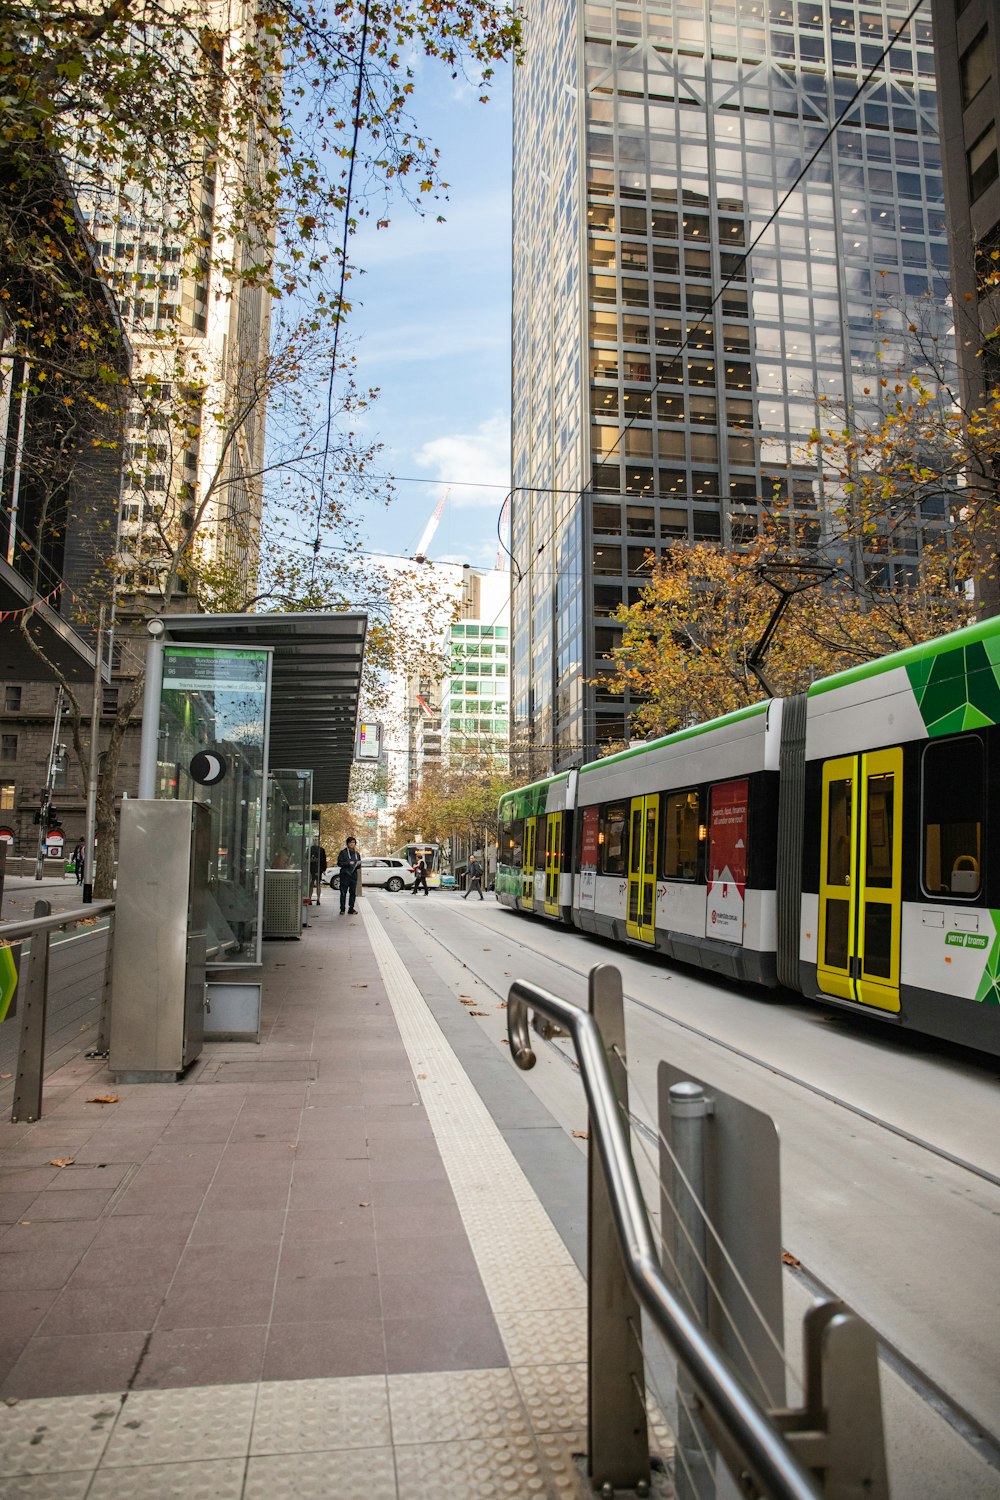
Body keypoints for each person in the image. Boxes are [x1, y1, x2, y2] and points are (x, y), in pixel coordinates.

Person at [336, 836, 361, 914]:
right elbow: (339, 863)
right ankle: (342, 909)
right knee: (343, 892)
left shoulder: (357, 854)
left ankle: (351, 909)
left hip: (353, 875)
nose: (352, 844)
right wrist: (348, 863)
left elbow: (358, 866)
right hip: (344, 875)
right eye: (350, 842)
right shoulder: (343, 853)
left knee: (353, 892)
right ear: (347, 844)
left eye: (353, 842)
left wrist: (358, 864)